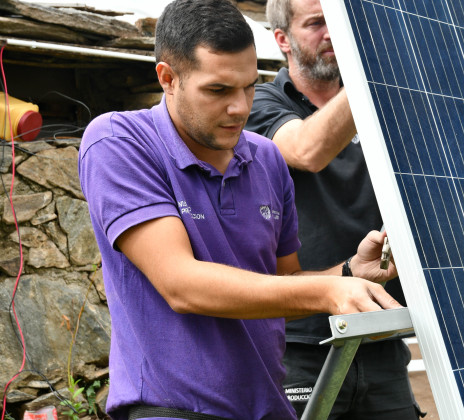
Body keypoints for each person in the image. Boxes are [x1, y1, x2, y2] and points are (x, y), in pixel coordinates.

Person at [77, 1, 400, 419]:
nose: (240, 107)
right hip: (171, 408)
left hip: (266, 405)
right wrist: (327, 292)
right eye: (218, 90)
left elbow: (283, 284)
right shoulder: (119, 141)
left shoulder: (266, 158)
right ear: (167, 78)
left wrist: (347, 274)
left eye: (249, 86)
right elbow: (181, 284)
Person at [245, 0, 422, 417]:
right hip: (302, 342)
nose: (332, 34)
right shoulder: (257, 105)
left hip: (379, 330)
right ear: (282, 40)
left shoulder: (387, 108)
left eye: (338, 24)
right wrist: (372, 70)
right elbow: (307, 150)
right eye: (316, 23)